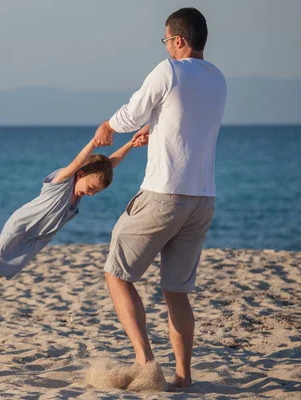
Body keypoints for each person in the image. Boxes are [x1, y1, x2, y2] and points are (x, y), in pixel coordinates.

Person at [93, 7, 227, 388]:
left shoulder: (169, 69)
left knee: (116, 272)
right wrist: (158, 129)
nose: (166, 46)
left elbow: (132, 113)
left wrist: (108, 127)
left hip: (164, 194)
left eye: (167, 40)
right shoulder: (218, 79)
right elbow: (187, 123)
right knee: (177, 291)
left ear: (179, 40)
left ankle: (146, 362)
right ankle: (183, 377)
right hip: (203, 199)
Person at [0, 133, 147, 303]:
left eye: (96, 192)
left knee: (15, 263)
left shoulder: (82, 188)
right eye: (91, 188)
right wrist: (93, 143)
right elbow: (77, 163)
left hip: (42, 236)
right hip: (23, 224)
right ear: (80, 174)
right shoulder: (61, 182)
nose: (91, 194)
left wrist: (130, 143)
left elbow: (110, 164)